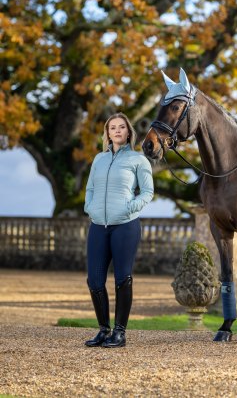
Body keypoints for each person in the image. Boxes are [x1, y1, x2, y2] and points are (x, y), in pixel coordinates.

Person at [83, 112, 154, 348]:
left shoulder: (138, 160)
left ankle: (120, 333)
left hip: (125, 226)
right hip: (98, 226)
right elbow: (90, 188)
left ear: (128, 132)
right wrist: (89, 207)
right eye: (112, 127)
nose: (117, 131)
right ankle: (104, 329)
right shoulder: (98, 159)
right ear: (107, 133)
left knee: (122, 278)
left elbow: (147, 192)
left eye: (121, 127)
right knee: (94, 280)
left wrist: (128, 209)